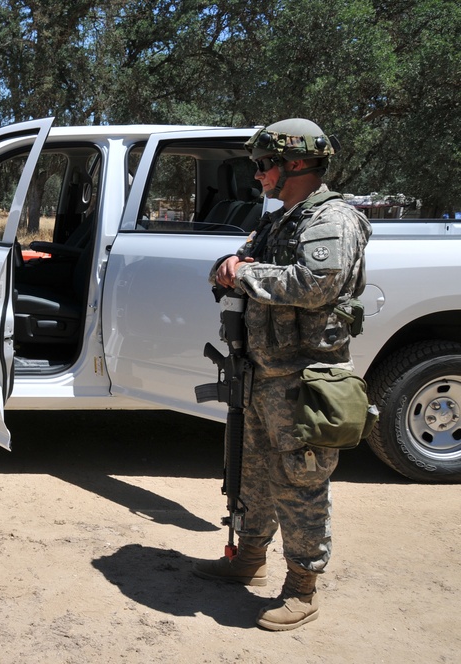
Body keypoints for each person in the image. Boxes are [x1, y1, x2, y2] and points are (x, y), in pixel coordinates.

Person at [193, 119, 371, 630]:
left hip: (304, 378)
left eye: (263, 164)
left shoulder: (332, 220)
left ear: (295, 165)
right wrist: (231, 267)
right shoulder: (280, 221)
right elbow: (230, 264)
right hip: (263, 372)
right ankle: (249, 558)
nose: (257, 175)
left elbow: (314, 283)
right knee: (252, 474)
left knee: (299, 482)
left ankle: (302, 587)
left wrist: (243, 272)